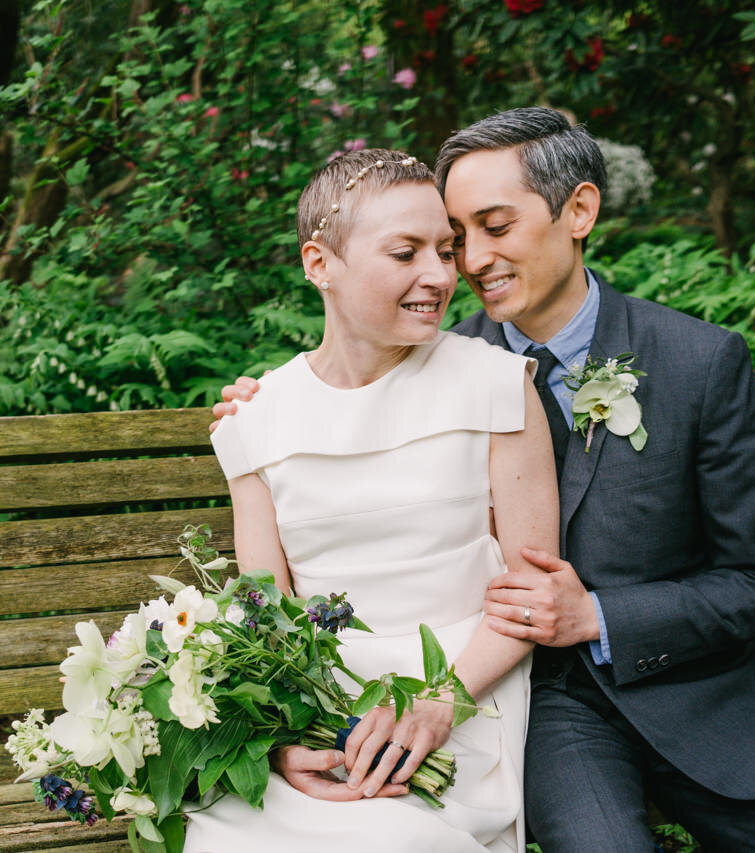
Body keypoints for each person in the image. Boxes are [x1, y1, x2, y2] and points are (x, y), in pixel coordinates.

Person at [216, 107, 755, 851]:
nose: (465, 262)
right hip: (550, 717)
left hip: (707, 701)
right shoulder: (438, 358)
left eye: (492, 228)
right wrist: (263, 407)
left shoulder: (700, 363)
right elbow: (339, 396)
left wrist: (599, 615)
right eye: (456, 234)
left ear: (579, 210)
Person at [185, 149, 559, 852]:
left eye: (445, 251)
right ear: (320, 263)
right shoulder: (255, 422)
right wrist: (281, 742)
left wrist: (440, 704)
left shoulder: (497, 386)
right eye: (405, 252)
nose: (441, 275)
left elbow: (532, 587)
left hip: (465, 704)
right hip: (328, 720)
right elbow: (265, 615)